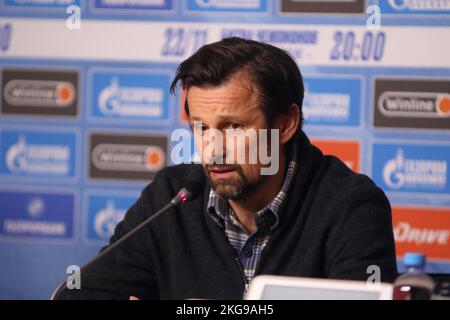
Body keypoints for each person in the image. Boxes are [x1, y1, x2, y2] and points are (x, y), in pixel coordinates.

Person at [54, 37, 397, 300]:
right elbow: (76, 294)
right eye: (201, 128)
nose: (213, 149)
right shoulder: (172, 195)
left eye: (233, 127)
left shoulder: (351, 205)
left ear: (285, 124)